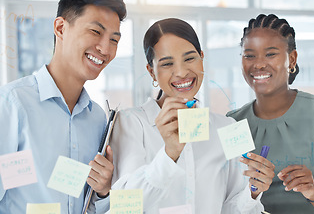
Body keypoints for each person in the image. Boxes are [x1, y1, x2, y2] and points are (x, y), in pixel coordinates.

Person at [108, 18, 264, 214]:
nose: (181, 72)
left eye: (190, 58)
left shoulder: (230, 126)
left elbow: (235, 208)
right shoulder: (129, 122)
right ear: (152, 72)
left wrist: (253, 191)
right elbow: (124, 206)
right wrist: (169, 154)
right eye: (167, 64)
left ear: (202, 57)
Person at [0, 0, 126, 213]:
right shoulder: (12, 104)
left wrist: (103, 191)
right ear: (60, 28)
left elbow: (91, 207)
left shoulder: (97, 118)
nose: (105, 49)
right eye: (96, 32)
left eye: (114, 40)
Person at [226, 13, 314, 214]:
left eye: (270, 54)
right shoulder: (232, 123)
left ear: (292, 59)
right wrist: (251, 193)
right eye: (249, 55)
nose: (258, 64)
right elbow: (225, 202)